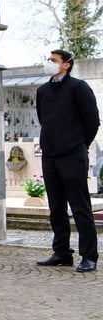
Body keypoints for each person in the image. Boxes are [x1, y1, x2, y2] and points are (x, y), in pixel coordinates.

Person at [35, 49, 99, 272]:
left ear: (66, 65)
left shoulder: (78, 88)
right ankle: (62, 253)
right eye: (48, 59)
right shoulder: (42, 91)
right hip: (50, 157)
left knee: (80, 208)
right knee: (56, 207)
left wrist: (79, 145)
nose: (48, 63)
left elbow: (92, 121)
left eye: (53, 60)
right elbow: (43, 120)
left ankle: (89, 256)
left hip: (73, 155)